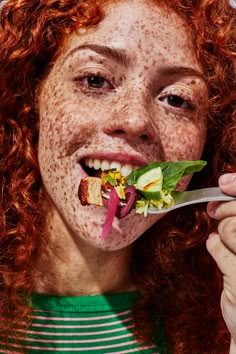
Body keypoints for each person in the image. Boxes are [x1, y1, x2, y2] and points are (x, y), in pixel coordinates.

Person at [0, 0, 235, 352]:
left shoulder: (217, 318)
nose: (135, 120)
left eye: (177, 99)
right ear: (31, 100)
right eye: (95, 79)